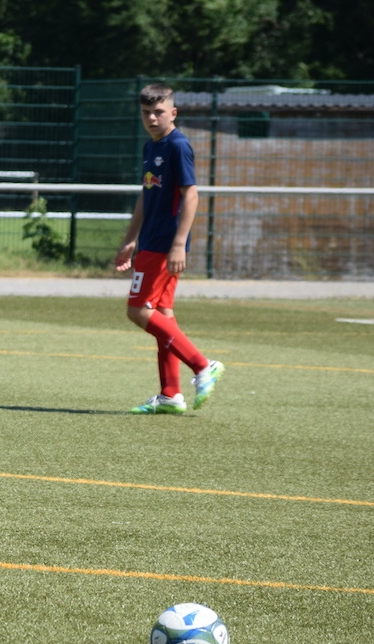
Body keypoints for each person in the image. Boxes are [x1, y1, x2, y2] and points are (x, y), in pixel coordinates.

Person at [113, 83, 224, 414]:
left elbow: (191, 194)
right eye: (146, 112)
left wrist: (179, 244)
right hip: (150, 241)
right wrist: (130, 239)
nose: (152, 117)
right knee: (162, 314)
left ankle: (203, 366)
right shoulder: (151, 146)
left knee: (137, 310)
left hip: (164, 245)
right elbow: (147, 196)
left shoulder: (178, 145)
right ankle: (170, 395)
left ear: (172, 113)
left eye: (158, 111)